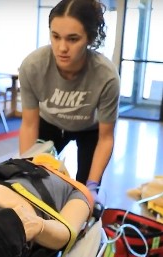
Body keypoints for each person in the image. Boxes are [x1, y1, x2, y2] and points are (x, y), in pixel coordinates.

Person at [18, 0, 121, 200]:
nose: (62, 47)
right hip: (49, 124)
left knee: (84, 194)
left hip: (89, 130)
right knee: (37, 185)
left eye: (73, 39)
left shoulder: (106, 76)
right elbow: (29, 124)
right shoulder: (32, 66)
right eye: (55, 37)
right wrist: (25, 170)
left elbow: (106, 137)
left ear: (90, 38)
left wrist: (92, 186)